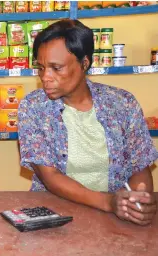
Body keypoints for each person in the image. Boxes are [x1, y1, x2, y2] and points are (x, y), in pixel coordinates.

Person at [18, 19, 158, 225]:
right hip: (55, 216)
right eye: (41, 68)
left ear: (84, 63)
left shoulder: (122, 103)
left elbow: (140, 165)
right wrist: (109, 202)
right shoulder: (33, 107)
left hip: (114, 217)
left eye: (56, 68)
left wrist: (138, 201)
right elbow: (50, 176)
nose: (45, 77)